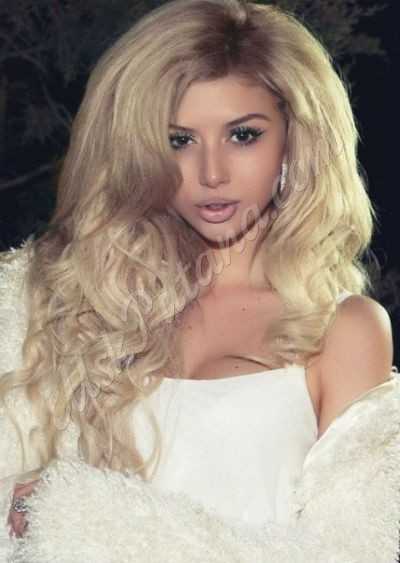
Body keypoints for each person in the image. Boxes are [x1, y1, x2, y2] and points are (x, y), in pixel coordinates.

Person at [0, 0, 398, 560]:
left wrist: (78, 511)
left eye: (243, 135)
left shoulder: (344, 329)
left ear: (295, 139)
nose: (212, 173)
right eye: (179, 140)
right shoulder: (65, 300)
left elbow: (352, 553)